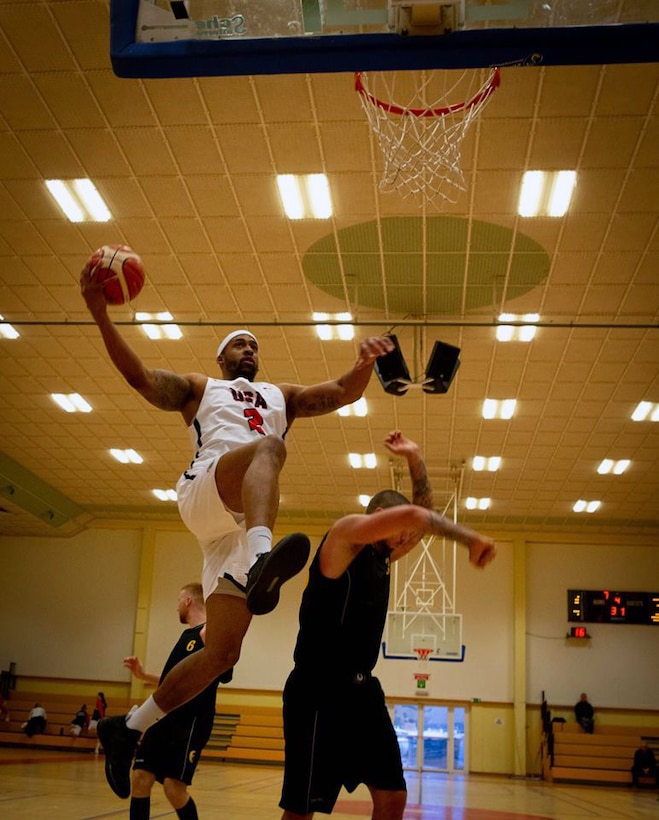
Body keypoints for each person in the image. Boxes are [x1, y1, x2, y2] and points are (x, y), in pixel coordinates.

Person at [81, 255, 393, 799]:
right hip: (207, 491)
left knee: (223, 653)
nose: (249, 349)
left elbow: (343, 392)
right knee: (270, 447)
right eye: (239, 344)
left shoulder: (282, 396)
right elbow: (139, 378)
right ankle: (262, 555)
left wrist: (364, 360)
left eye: (255, 345)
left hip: (231, 527)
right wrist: (100, 312)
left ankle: (126, 728)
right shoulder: (202, 388)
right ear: (221, 357)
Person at [278, 432, 496, 819]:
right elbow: (416, 516)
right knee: (302, 809)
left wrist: (415, 459)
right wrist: (470, 538)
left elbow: (419, 518)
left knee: (393, 795)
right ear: (378, 518)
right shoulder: (344, 536)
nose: (406, 538)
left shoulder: (384, 557)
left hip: (361, 693)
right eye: (397, 527)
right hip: (316, 690)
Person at [125, 582, 232, 820]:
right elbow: (173, 681)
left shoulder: (212, 632)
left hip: (190, 722)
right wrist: (144, 676)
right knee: (140, 777)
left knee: (174, 787)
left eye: (178, 601)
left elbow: (224, 672)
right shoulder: (187, 636)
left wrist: (213, 640)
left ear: (188, 601)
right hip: (162, 716)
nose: (177, 608)